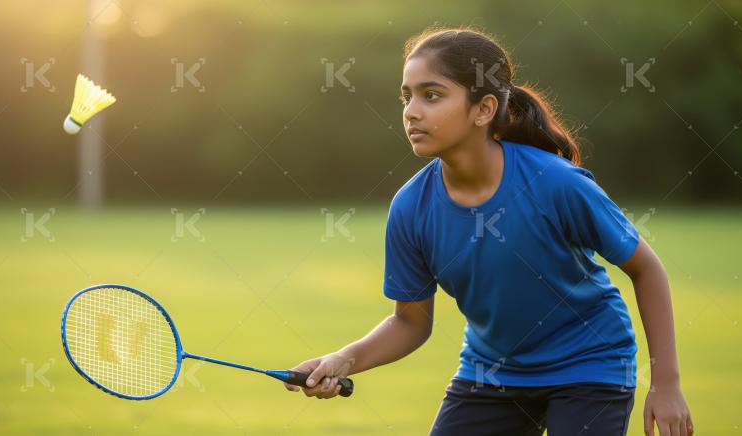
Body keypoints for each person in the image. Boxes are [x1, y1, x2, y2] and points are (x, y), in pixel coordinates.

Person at [285, 27, 694, 436]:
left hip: (588, 367)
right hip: (490, 375)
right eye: (406, 96)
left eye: (431, 95)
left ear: (483, 110)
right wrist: (344, 359)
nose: (411, 110)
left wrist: (667, 384)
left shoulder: (555, 183)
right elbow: (411, 322)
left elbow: (646, 268)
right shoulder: (411, 208)